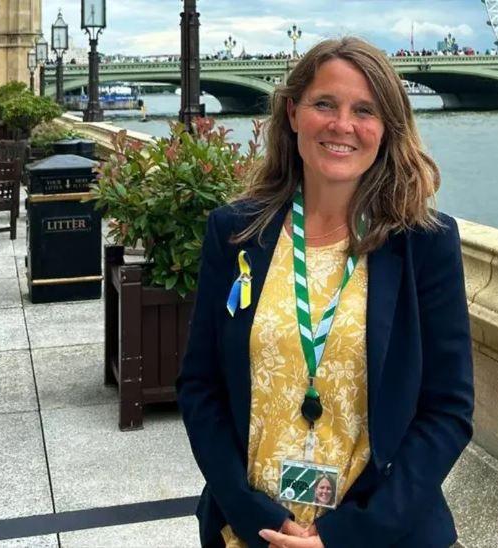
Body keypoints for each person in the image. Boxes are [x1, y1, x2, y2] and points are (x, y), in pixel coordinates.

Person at [177, 36, 474, 548]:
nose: (343, 125)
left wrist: (349, 535)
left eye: (365, 110)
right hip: (251, 530)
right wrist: (253, 517)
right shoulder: (235, 233)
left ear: (386, 129)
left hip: (382, 533)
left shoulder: (423, 244)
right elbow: (199, 387)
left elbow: (447, 409)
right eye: (324, 105)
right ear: (293, 113)